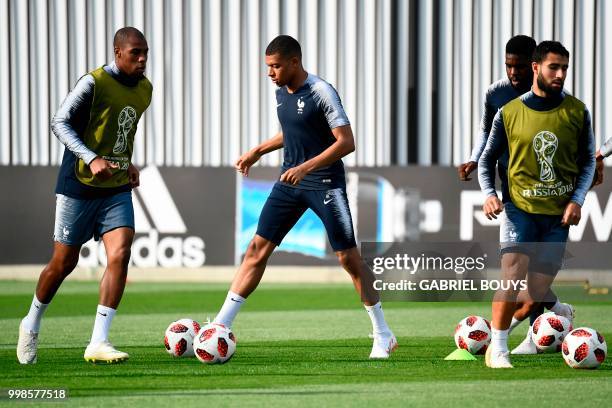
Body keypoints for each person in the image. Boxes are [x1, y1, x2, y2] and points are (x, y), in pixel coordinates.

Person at [212, 35, 397, 359]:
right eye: (268, 67)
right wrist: (257, 151)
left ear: (294, 62)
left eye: (276, 66)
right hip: (289, 183)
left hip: (325, 183)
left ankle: (383, 333)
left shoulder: (321, 91)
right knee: (256, 249)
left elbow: (346, 141)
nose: (270, 72)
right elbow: (293, 131)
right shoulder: (281, 93)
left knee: (348, 260)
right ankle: (220, 326)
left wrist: (306, 167)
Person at [16, 27, 152, 364]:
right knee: (64, 263)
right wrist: (90, 158)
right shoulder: (93, 83)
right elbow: (59, 122)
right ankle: (31, 323)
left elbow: (118, 132)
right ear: (117, 52)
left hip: (117, 185)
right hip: (79, 185)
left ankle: (99, 341)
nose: (142, 59)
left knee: (120, 254)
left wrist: (129, 163)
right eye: (135, 52)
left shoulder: (145, 90)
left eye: (145, 52)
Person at [478, 40, 595, 368]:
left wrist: (577, 199)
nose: (560, 74)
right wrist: (489, 193)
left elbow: (587, 162)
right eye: (553, 67)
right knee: (512, 277)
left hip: (558, 216)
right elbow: (487, 159)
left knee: (533, 296)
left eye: (564, 69)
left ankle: (557, 312)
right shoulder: (510, 112)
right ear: (536, 68)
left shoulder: (576, 112)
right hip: (519, 210)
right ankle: (497, 349)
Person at [459, 35, 575, 355]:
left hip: (546, 194)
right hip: (513, 193)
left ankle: (535, 326)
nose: (513, 72)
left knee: (532, 271)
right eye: (508, 65)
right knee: (516, 268)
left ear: (534, 66)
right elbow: (486, 132)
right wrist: (474, 156)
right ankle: (541, 319)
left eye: (520, 67)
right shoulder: (496, 94)